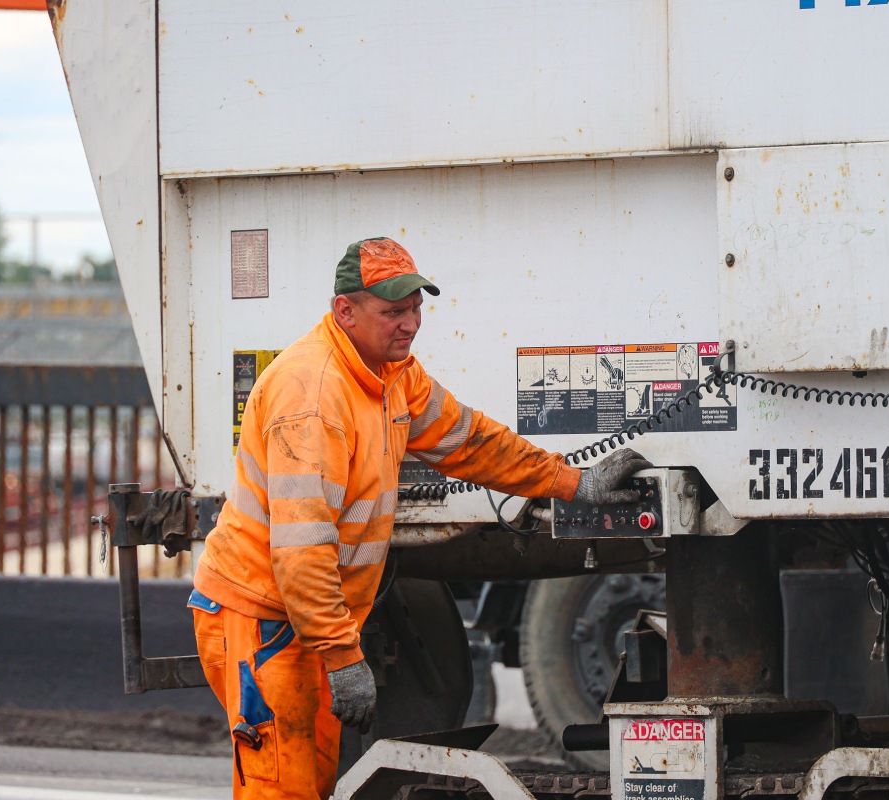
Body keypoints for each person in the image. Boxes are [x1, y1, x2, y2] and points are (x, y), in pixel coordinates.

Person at [188, 236, 651, 799]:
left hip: (299, 618)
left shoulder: (393, 375)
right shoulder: (313, 398)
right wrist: (343, 656)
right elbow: (303, 548)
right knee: (281, 788)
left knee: (309, 783)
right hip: (263, 618)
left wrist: (574, 483)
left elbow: (471, 443)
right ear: (345, 311)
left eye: (415, 309)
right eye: (393, 312)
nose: (409, 324)